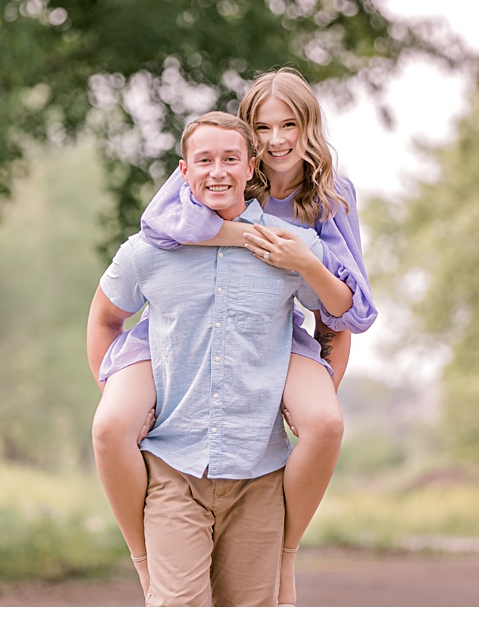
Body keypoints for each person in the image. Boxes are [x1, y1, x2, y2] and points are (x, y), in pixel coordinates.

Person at [91, 77, 373, 606]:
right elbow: (162, 230)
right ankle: (143, 557)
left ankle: (286, 554)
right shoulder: (223, 174)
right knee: (109, 425)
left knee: (325, 422)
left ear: (310, 128)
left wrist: (301, 260)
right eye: (263, 127)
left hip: (276, 327)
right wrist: (251, 236)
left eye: (289, 125)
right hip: (182, 328)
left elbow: (345, 314)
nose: (275, 140)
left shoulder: (333, 198)